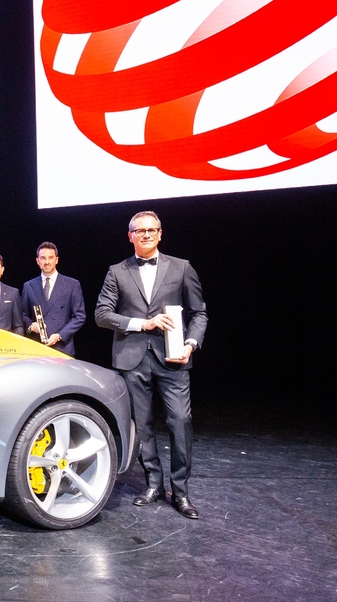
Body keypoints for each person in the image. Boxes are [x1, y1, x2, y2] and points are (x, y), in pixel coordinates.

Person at [95, 210, 207, 520]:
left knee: (180, 422)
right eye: (140, 230)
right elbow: (102, 314)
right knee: (142, 426)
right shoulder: (117, 271)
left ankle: (181, 492)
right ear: (130, 236)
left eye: (152, 230)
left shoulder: (181, 267)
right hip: (132, 359)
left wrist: (190, 344)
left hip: (173, 357)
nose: (146, 234)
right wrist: (143, 323)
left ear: (160, 234)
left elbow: (199, 313)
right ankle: (153, 484)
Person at [20, 241, 86, 355]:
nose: (47, 262)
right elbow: (23, 314)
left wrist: (60, 335)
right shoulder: (29, 286)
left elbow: (79, 316)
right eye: (43, 258)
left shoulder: (72, 285)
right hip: (36, 347)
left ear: (56, 260)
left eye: (50, 258)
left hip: (62, 348)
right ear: (37, 261)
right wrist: (31, 326)